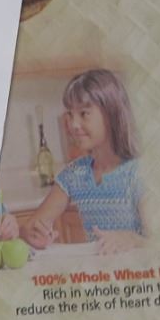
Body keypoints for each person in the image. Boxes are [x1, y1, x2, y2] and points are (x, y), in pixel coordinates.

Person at [20, 69, 145, 255]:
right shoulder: (74, 174)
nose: (73, 124)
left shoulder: (140, 173)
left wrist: (133, 239)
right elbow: (29, 228)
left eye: (84, 113)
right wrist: (35, 235)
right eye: (70, 114)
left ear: (111, 114)